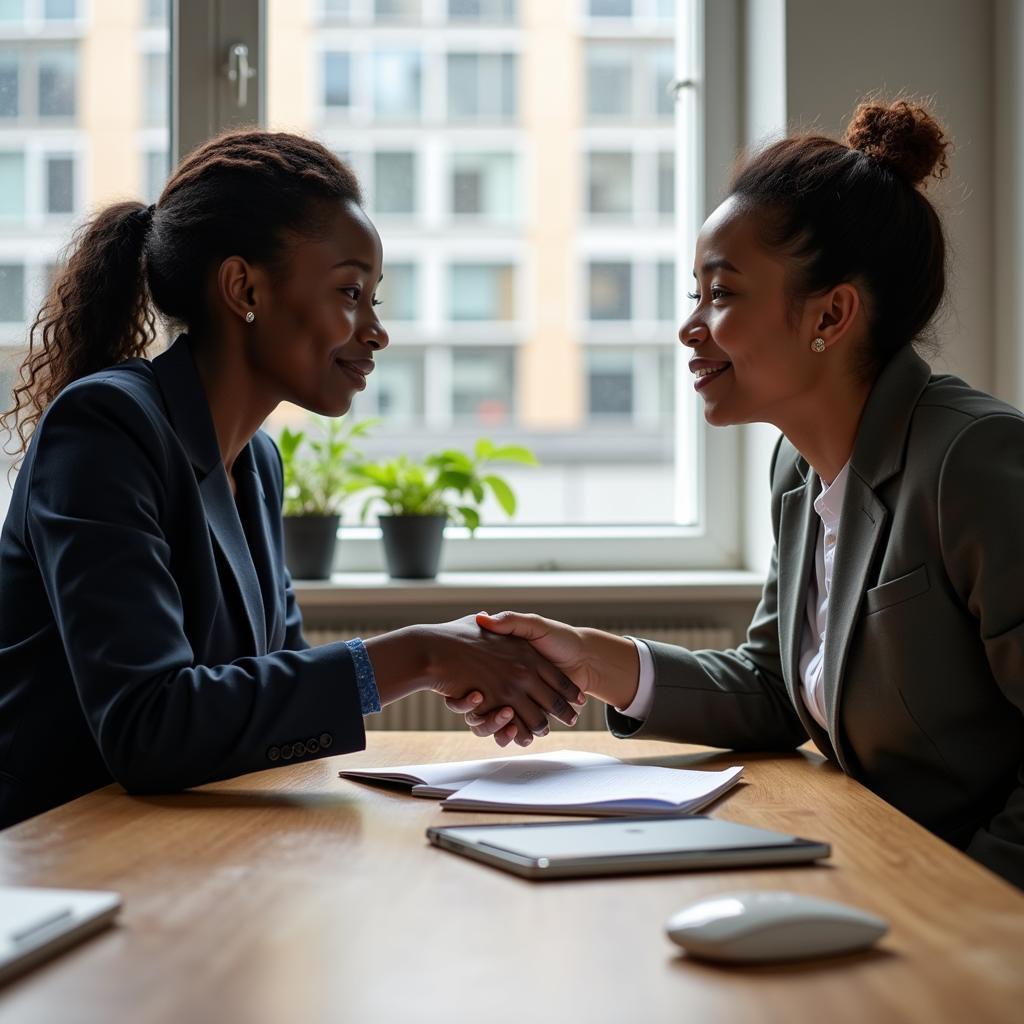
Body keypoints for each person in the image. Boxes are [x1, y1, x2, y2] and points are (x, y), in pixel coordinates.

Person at [455, 99, 1024, 889]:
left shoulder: (975, 460)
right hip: (871, 870)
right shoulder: (798, 470)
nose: (691, 327)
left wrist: (973, 904)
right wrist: (588, 659)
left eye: (719, 294)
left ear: (832, 312)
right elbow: (771, 691)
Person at [0, 130, 583, 829]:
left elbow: (259, 698)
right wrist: (424, 654)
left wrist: (443, 667)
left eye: (375, 298)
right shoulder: (105, 427)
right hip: (61, 857)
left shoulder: (259, 461)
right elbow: (149, 727)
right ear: (244, 287)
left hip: (186, 845)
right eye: (350, 291)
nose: (375, 330)